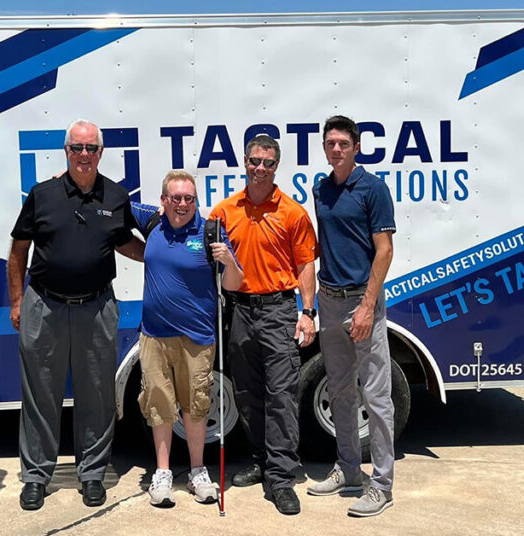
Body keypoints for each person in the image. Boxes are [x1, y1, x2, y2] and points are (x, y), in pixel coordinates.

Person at [8, 119, 144, 511]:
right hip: (44, 305)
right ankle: (36, 476)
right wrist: (18, 302)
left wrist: (163, 255)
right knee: (40, 396)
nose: (83, 155)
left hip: (97, 306)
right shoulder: (42, 194)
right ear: (66, 151)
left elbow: (125, 243)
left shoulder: (116, 196)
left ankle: (92, 474)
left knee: (97, 394)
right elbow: (18, 251)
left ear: (101, 153)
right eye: (76, 148)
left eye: (91, 148)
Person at [209, 134, 318, 515]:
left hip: (278, 311)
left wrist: (308, 311)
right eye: (254, 161)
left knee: (282, 394)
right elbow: (202, 253)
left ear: (276, 166)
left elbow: (306, 264)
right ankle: (261, 460)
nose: (260, 168)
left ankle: (282, 478)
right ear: (244, 161)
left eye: (268, 163)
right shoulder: (224, 212)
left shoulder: (292, 212)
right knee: (246, 394)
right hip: (239, 311)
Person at [131, 171, 242, 507]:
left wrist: (228, 262)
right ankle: (162, 475)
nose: (182, 204)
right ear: (163, 201)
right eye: (175, 198)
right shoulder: (151, 222)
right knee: (159, 406)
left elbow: (235, 284)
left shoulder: (211, 232)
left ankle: (197, 472)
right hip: (154, 336)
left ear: (196, 201)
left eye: (188, 198)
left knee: (195, 407)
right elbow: (112, 200)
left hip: (198, 338)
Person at [307, 115, 397, 517]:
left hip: (363, 301)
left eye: (344, 143)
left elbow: (385, 250)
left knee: (376, 397)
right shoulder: (320, 188)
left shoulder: (374, 189)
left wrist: (366, 305)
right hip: (329, 299)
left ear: (356, 147)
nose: (337, 149)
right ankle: (348, 469)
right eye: (331, 143)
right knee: (340, 391)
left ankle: (382, 485)